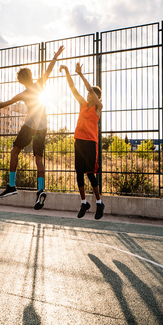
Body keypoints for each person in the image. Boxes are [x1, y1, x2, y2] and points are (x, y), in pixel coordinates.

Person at [0, 45, 64, 210]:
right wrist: (56, 57)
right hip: (43, 127)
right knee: (39, 159)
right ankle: (40, 190)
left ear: (21, 81)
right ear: (31, 77)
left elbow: (4, 104)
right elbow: (48, 70)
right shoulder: (40, 84)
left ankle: (12, 185)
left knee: (14, 151)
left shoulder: (23, 94)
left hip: (29, 126)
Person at [60, 62, 105, 220]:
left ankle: (99, 202)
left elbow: (89, 89)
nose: (87, 95)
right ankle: (84, 202)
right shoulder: (83, 104)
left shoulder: (98, 107)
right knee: (79, 173)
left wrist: (80, 74)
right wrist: (67, 71)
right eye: (87, 95)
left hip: (90, 143)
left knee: (91, 174)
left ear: (96, 97)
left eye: (91, 94)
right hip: (79, 141)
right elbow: (73, 88)